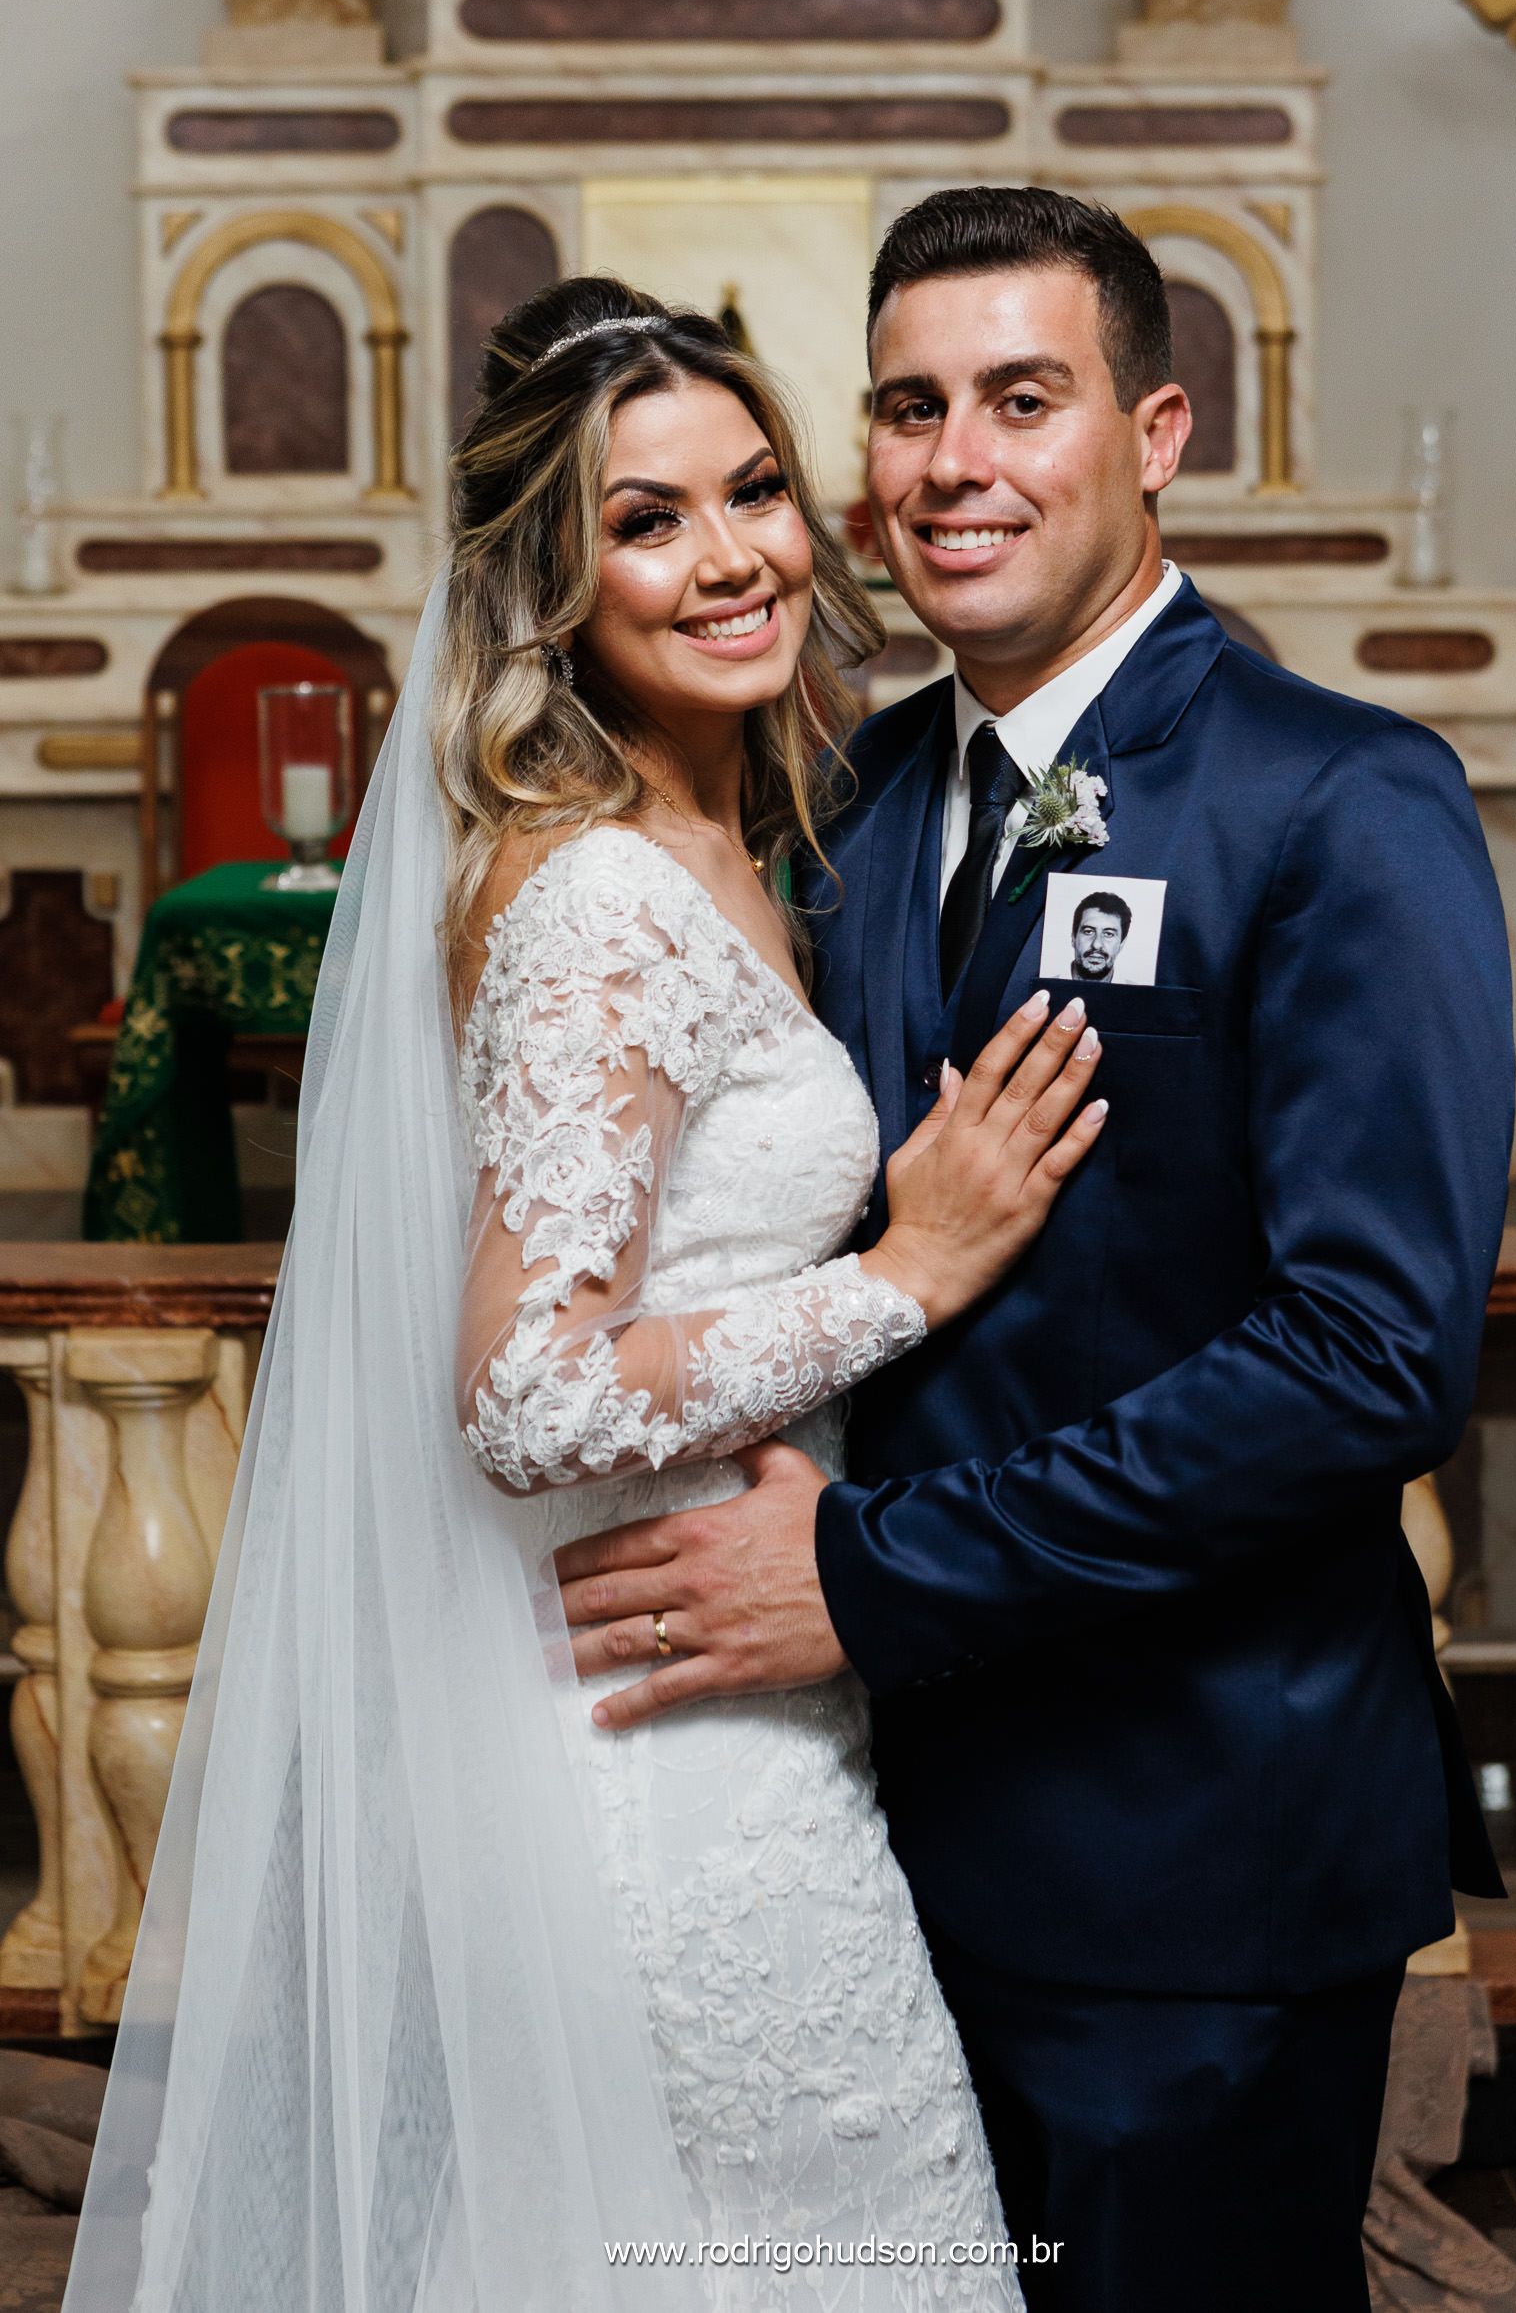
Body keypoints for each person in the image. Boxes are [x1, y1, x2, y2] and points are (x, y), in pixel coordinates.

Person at [61, 277, 1109, 2313]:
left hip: (753, 1680)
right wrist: (902, 1275)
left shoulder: (740, 838)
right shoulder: (601, 895)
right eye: (645, 520)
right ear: (549, 586)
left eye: (752, 491)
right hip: (663, 1752)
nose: (729, 557)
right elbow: (529, 1392)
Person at [556, 189, 1516, 2313]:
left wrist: (869, 1570)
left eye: (1019, 398)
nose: (950, 462)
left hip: (1189, 1846)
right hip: (856, 1842)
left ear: (1154, 431)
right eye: (907, 408)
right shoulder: (846, 796)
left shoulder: (1339, 799)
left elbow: (1367, 1354)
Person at [1068, 888, 1128, 981]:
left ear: (1122, 943)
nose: (1096, 944)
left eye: (1108, 934)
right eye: (1088, 932)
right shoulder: (1046, 985)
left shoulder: (1140, 991)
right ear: (1073, 938)